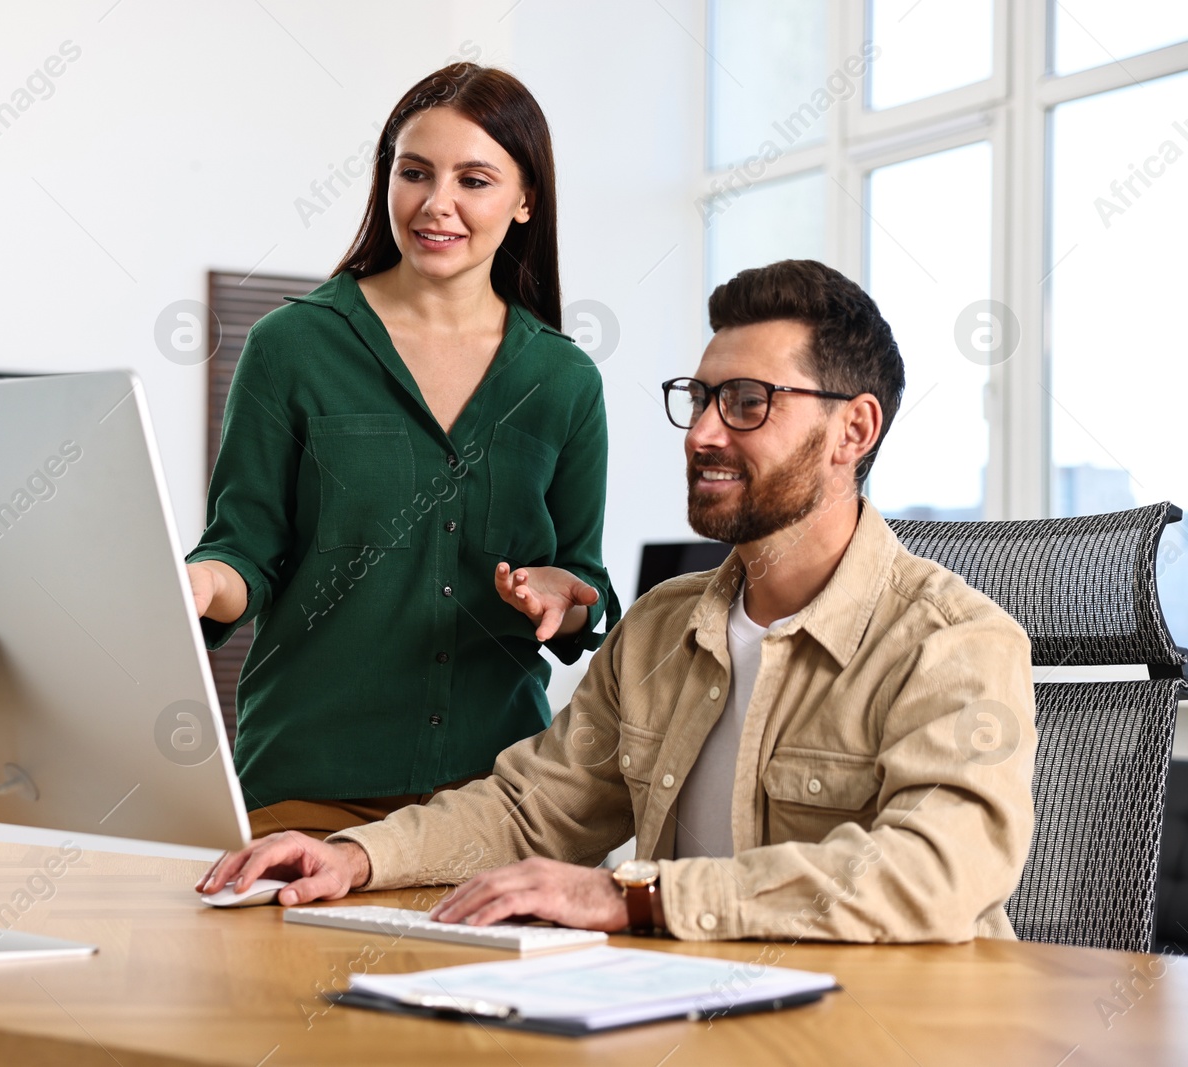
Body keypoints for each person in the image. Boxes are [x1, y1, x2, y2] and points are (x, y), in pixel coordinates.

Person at [198, 259, 1039, 944]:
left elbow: (934, 872)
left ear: (853, 430)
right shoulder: (663, 628)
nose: (703, 432)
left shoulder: (956, 643)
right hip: (686, 1019)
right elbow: (535, 809)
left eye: (748, 402)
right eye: (701, 397)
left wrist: (635, 896)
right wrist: (353, 856)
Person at [184, 63, 620, 838]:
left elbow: (587, 580)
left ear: (525, 200)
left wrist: (567, 592)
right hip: (307, 794)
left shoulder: (564, 380)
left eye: (474, 179)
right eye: (413, 172)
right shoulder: (291, 347)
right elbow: (242, 553)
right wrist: (196, 583)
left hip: (498, 802)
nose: (435, 204)